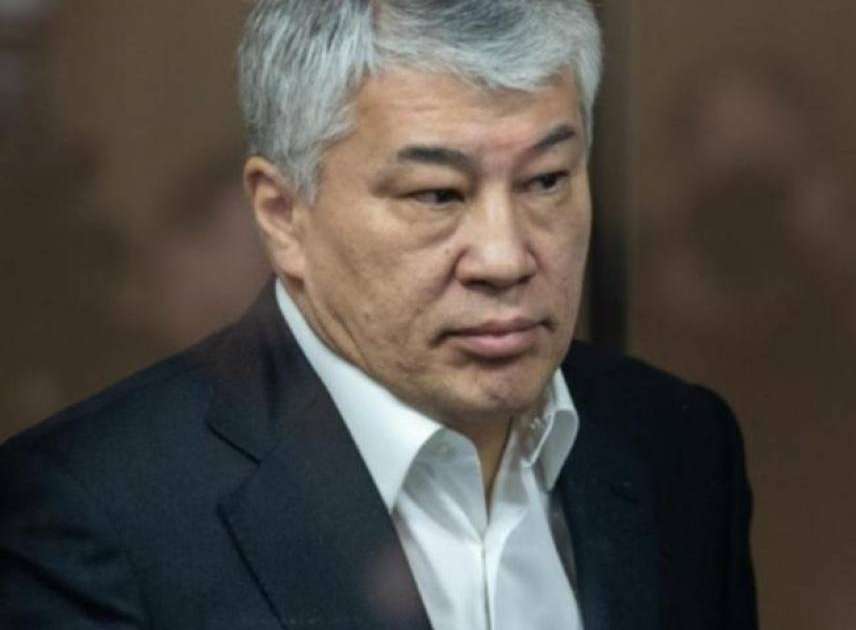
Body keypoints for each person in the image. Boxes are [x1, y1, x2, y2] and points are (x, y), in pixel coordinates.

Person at [0, 2, 757, 629]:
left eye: (547, 180)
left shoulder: (678, 445)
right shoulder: (90, 516)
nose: (505, 258)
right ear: (283, 215)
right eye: (437, 194)